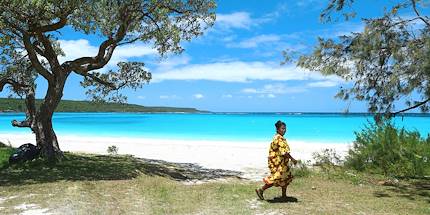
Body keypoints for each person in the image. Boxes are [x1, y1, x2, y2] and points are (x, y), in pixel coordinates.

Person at [255, 120, 297, 200]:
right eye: (282, 128)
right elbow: (284, 153)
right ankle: (261, 189)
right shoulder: (278, 139)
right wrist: (292, 159)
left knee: (285, 177)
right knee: (277, 178)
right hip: (278, 163)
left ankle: (284, 196)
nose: (284, 130)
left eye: (285, 128)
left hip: (281, 162)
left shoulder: (278, 137)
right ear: (277, 129)